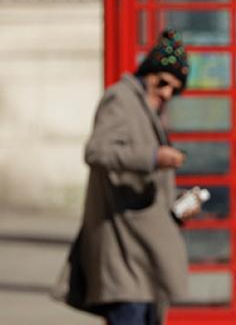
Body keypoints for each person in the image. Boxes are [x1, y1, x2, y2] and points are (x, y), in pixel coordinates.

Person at [63, 29, 195, 325]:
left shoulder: (149, 108)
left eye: (174, 90)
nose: (166, 93)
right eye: (162, 83)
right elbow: (96, 151)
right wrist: (152, 157)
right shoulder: (120, 99)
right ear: (148, 72)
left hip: (144, 255)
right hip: (123, 251)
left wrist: (176, 207)